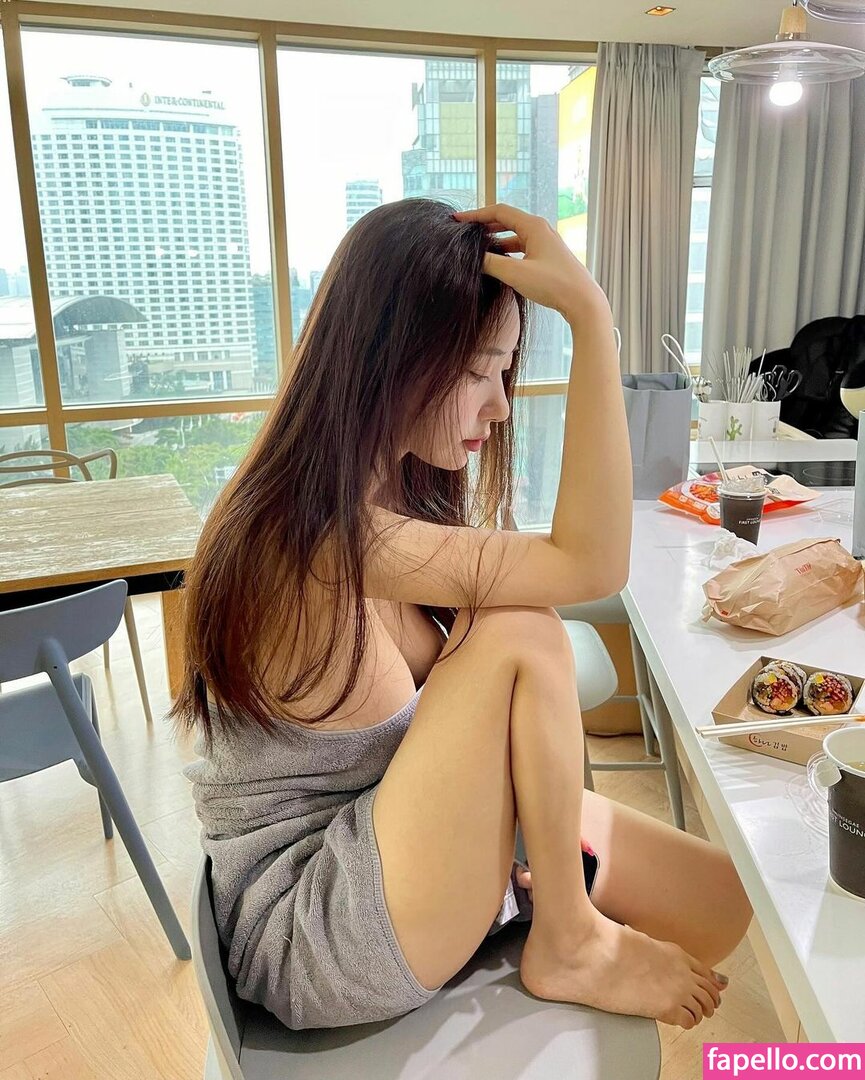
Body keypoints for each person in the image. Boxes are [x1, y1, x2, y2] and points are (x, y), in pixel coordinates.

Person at [173, 198, 752, 1034]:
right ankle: (567, 936)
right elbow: (588, 564)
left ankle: (549, 912)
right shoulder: (305, 540)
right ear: (390, 361)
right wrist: (591, 320)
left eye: (504, 372)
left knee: (718, 902)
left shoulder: (390, 501)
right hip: (315, 920)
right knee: (519, 623)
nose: (500, 407)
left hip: (394, 828)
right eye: (480, 372)